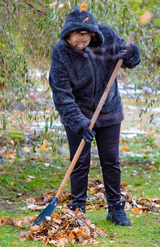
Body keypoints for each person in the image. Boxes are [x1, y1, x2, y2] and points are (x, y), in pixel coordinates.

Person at [49, 4, 141, 226]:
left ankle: (115, 208)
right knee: (79, 161)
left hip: (109, 111)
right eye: (77, 40)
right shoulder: (61, 52)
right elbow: (62, 95)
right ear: (68, 35)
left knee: (111, 160)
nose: (82, 44)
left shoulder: (107, 35)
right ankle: (78, 209)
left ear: (92, 33)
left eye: (86, 38)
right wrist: (80, 124)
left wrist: (131, 53)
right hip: (77, 114)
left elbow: (129, 59)